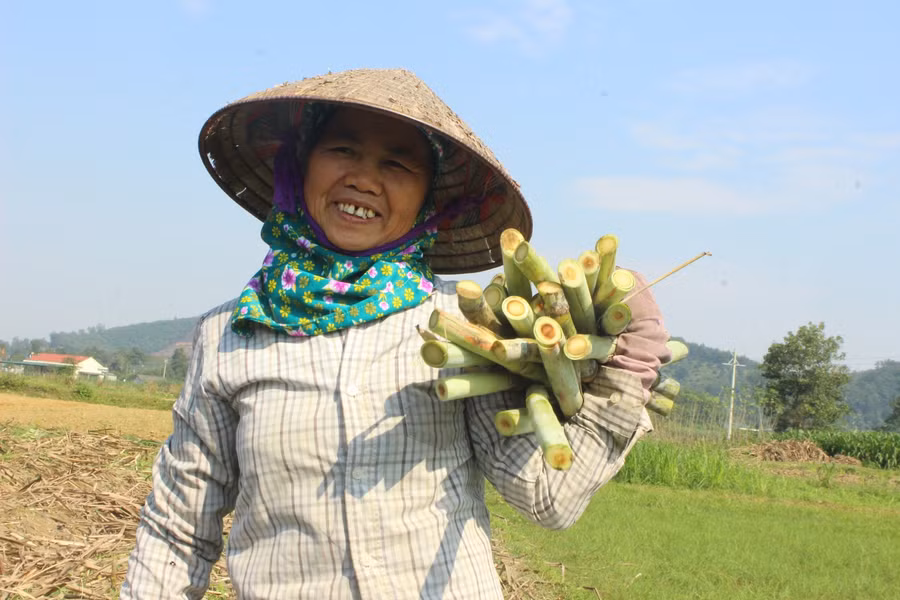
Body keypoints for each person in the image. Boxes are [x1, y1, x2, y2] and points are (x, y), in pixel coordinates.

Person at [121, 68, 671, 599]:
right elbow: (178, 531)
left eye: (397, 164)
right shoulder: (229, 336)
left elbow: (547, 497)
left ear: (429, 199)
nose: (363, 178)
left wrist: (628, 369)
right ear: (300, 166)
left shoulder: (467, 331)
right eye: (342, 150)